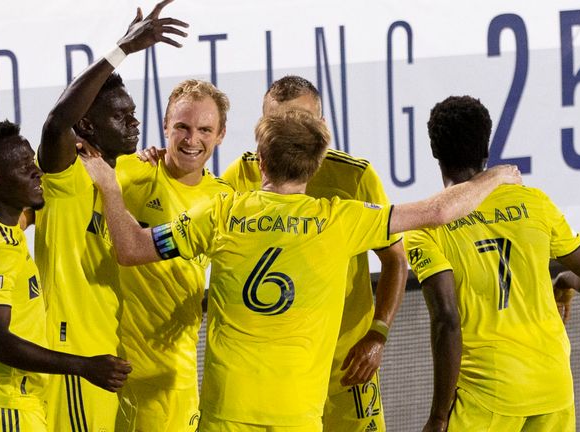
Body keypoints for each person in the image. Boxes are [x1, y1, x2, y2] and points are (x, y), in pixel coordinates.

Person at [83, 108, 522, 431]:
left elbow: (131, 248)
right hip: (298, 414)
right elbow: (441, 211)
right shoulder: (341, 219)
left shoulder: (222, 214)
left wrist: (107, 185)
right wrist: (495, 176)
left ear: (259, 158)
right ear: (317, 164)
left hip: (227, 409)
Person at [139, 75, 408, 430]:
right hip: (266, 379)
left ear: (322, 126)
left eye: (302, 121)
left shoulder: (355, 177)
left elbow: (395, 259)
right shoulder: (244, 171)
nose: (291, 133)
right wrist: (163, 163)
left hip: (345, 362)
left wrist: (378, 333)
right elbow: (195, 201)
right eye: (278, 122)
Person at [405, 95, 580, 432]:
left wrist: (439, 415)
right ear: (486, 149)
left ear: (434, 152)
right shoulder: (535, 203)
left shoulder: (426, 227)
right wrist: (566, 283)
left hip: (487, 395)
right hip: (552, 384)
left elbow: (446, 321)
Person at [33, 1, 187, 430]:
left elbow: (144, 243)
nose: (134, 124)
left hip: (104, 354)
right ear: (86, 127)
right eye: (121, 116)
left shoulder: (113, 182)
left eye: (134, 113)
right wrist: (121, 49)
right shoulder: (69, 176)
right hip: (74, 357)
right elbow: (54, 123)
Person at [0, 119, 131, 432]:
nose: (37, 172)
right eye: (23, 167)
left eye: (33, 161)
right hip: (3, 408)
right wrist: (84, 366)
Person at [113, 79, 232, 430]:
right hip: (106, 367)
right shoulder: (130, 172)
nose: (191, 140)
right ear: (165, 126)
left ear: (221, 134)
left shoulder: (225, 200)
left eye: (204, 129)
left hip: (170, 375)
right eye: (181, 126)